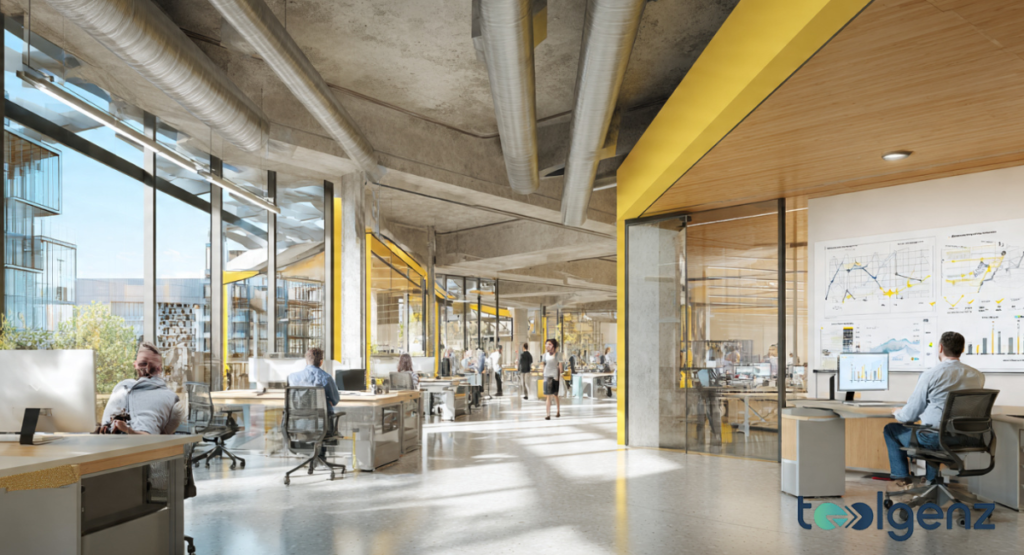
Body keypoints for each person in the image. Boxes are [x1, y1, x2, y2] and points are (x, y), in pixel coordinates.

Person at [883, 331, 985, 490]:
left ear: (940, 348)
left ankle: (902, 478)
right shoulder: (977, 375)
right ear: (962, 349)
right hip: (966, 438)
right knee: (932, 430)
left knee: (892, 429)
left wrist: (897, 412)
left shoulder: (930, 375)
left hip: (935, 439)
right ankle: (932, 483)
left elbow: (909, 416)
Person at [100, 342, 183, 435]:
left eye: (150, 365)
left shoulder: (166, 397)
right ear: (159, 369)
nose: (146, 368)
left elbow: (148, 436)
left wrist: (126, 429)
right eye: (143, 363)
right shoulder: (123, 388)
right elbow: (105, 426)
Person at [287, 347, 340, 414]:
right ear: (321, 362)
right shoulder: (326, 377)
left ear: (306, 361)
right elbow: (335, 400)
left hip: (298, 417)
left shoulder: (292, 377)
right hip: (321, 418)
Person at [542, 339, 563, 420]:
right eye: (546, 344)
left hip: (555, 376)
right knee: (548, 396)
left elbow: (560, 367)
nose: (547, 345)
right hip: (547, 375)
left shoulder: (558, 355)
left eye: (549, 344)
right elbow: (543, 365)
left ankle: (558, 411)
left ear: (553, 346)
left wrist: (560, 374)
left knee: (555, 395)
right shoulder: (544, 355)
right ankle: (548, 414)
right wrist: (543, 374)